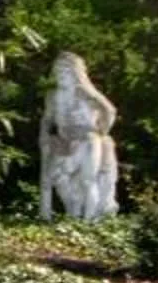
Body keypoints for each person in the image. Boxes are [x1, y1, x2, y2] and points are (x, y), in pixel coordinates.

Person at [39, 51, 119, 221]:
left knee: (87, 180)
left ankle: (89, 220)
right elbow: (47, 118)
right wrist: (43, 136)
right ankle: (72, 212)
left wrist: (103, 130)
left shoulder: (85, 92)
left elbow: (110, 110)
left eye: (65, 71)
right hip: (64, 141)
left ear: (75, 73)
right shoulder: (52, 96)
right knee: (57, 178)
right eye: (58, 71)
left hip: (87, 139)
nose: (61, 75)